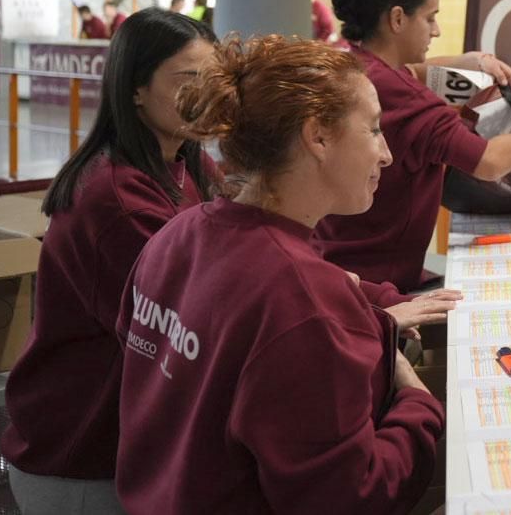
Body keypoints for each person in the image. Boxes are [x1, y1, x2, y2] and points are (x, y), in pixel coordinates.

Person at [115, 36, 442, 514]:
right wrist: (416, 398)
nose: (386, 154)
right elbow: (354, 496)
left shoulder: (178, 234)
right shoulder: (301, 298)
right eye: (373, 129)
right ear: (319, 137)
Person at [1, 8, 218, 514]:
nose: (207, 95)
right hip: (81, 459)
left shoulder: (187, 162)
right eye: (189, 79)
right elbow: (198, 317)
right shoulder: (118, 201)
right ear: (135, 88)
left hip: (124, 449)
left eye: (216, 79)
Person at [317, 0, 511, 298]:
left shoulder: (351, 65)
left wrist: (470, 61)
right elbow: (489, 162)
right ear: (398, 18)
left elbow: (412, 71)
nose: (437, 31)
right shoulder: (409, 100)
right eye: (430, 18)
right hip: (384, 281)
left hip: (335, 256)